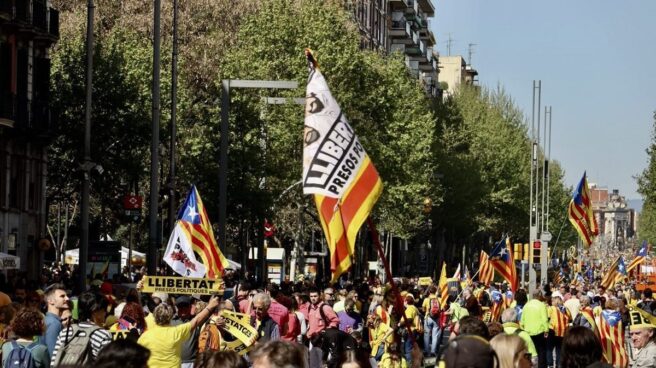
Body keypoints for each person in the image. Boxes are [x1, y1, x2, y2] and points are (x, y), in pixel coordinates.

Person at [138, 294, 220, 368]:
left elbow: (137, 356)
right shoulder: (176, 332)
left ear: (154, 317)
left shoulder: (145, 336)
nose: (183, 309)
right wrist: (211, 306)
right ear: (170, 316)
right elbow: (196, 321)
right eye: (181, 307)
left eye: (185, 306)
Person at [50, 291, 112, 366]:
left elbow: (54, 361)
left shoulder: (65, 332)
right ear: (95, 311)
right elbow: (107, 364)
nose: (106, 313)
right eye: (104, 309)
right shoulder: (103, 334)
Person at [521, 290, 549, 368]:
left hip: (528, 332)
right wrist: (546, 330)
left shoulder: (526, 305)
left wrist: (523, 328)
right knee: (541, 351)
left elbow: (522, 320)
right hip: (539, 331)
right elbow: (544, 319)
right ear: (539, 295)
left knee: (529, 351)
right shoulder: (541, 305)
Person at [42, 284, 70, 357]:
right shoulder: (54, 323)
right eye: (62, 296)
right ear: (50, 301)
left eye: (66, 296)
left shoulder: (47, 319)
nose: (67, 298)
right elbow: (53, 354)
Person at [422, 285, 442, 357]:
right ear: (435, 291)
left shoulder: (426, 299)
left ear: (429, 291)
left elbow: (423, 309)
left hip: (428, 318)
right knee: (435, 335)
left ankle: (426, 351)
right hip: (437, 318)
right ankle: (433, 351)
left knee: (426, 335)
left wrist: (426, 310)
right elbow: (442, 308)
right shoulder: (439, 299)